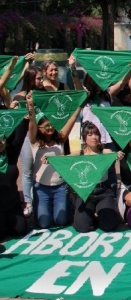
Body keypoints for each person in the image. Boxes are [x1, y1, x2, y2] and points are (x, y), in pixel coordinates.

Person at [27, 93, 80, 229]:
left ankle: (62, 206)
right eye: (46, 126)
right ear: (39, 128)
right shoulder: (35, 142)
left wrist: (80, 104)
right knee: (44, 223)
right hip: (41, 189)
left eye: (51, 125)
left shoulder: (60, 140)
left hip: (60, 187)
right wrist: (31, 109)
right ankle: (45, 206)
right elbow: (32, 124)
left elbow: (72, 120)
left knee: (61, 221)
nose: (50, 128)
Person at [72, 122, 121, 233]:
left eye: (96, 134)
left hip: (103, 191)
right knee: (82, 227)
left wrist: (117, 155)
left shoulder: (105, 151)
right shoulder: (80, 153)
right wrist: (49, 158)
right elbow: (63, 159)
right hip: (86, 192)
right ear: (84, 138)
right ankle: (91, 216)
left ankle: (101, 214)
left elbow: (113, 154)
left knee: (109, 225)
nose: (94, 137)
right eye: (90, 134)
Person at [13, 64, 44, 218]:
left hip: (43, 135)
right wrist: (16, 110)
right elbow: (13, 116)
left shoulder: (45, 93)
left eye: (41, 78)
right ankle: (28, 201)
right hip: (25, 135)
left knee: (41, 167)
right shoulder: (20, 96)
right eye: (38, 78)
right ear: (30, 79)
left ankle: (41, 200)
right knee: (28, 169)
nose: (41, 81)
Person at [0, 116, 29, 241]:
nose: (0, 143)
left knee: (20, 229)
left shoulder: (10, 154)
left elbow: (20, 137)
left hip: (12, 205)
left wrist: (25, 120)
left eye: (2, 139)